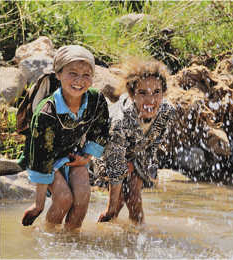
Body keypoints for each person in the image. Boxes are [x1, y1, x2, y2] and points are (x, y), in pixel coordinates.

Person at [21, 45, 109, 230]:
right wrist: (38, 204)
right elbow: (41, 156)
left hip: (72, 153)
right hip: (45, 157)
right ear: (58, 74)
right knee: (63, 199)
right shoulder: (47, 112)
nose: (79, 80)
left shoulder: (96, 99)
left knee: (83, 197)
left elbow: (100, 129)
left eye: (86, 74)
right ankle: (50, 239)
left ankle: (70, 243)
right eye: (73, 73)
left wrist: (86, 157)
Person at [97, 58, 177, 224]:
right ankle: (109, 230)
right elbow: (115, 164)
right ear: (132, 94)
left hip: (137, 151)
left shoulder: (166, 112)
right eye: (143, 93)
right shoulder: (120, 121)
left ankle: (138, 237)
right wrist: (110, 207)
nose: (151, 100)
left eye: (157, 92)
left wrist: (141, 167)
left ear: (163, 93)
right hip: (107, 152)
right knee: (115, 206)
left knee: (133, 197)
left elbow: (153, 143)